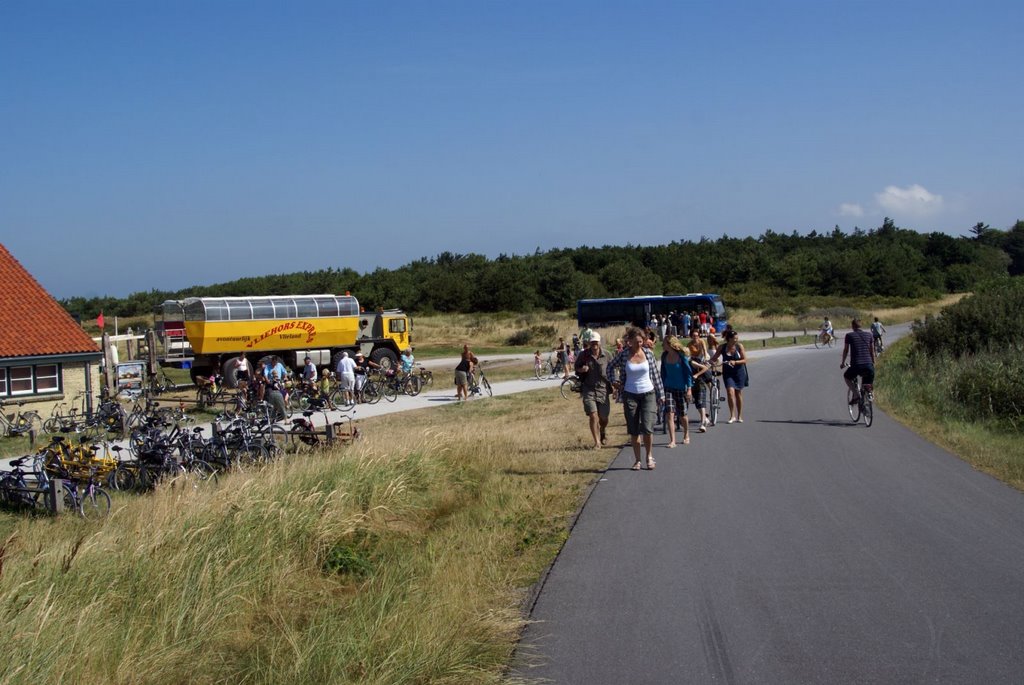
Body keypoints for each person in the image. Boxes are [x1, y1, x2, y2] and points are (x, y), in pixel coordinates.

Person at [608, 326, 665, 471]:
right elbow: (609, 367)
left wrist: (661, 394)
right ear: (629, 341)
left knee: (647, 428)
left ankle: (649, 456)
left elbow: (656, 375)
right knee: (633, 430)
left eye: (641, 341)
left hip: (648, 393)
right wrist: (613, 381)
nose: (639, 344)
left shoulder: (648, 354)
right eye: (636, 342)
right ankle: (638, 460)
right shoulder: (623, 355)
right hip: (630, 394)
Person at [574, 332, 613, 449]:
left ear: (599, 342)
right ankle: (597, 442)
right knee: (593, 415)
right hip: (588, 389)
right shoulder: (583, 355)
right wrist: (582, 369)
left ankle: (603, 430)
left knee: (603, 418)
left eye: (596, 342)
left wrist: (615, 385)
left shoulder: (607, 355)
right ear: (589, 343)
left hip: (603, 389)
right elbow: (576, 368)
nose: (594, 344)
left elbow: (613, 370)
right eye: (592, 342)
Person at [660, 336, 700, 447]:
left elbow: (688, 374)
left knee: (682, 414)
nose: (662, 345)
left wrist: (689, 389)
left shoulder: (682, 357)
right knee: (669, 414)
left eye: (664, 343)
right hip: (668, 388)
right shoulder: (664, 356)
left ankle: (686, 434)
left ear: (670, 344)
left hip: (681, 388)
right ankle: (672, 440)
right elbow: (663, 372)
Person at [709, 329, 748, 424]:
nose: (736, 340)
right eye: (735, 338)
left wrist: (735, 362)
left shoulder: (739, 346)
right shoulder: (722, 347)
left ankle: (739, 416)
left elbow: (745, 360)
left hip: (739, 372)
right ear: (729, 339)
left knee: (738, 393)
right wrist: (710, 361)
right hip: (728, 372)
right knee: (730, 392)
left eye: (737, 338)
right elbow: (715, 357)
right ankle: (732, 416)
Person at [841, 318, 876, 404]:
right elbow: (872, 351)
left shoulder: (849, 335)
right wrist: (873, 363)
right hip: (868, 365)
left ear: (852, 326)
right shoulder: (869, 335)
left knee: (846, 376)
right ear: (861, 326)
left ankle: (856, 395)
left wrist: (842, 363)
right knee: (868, 381)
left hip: (856, 365)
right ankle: (869, 392)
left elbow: (846, 350)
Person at [688, 327, 712, 431]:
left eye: (697, 336)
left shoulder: (701, 341)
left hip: (702, 360)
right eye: (694, 336)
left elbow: (705, 352)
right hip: (694, 362)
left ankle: (710, 387)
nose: (696, 338)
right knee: (697, 398)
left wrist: (705, 358)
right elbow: (688, 355)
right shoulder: (689, 345)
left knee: (706, 372)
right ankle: (704, 418)